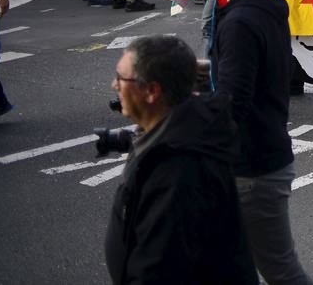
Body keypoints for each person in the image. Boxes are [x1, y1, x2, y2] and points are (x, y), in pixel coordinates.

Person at [199, 0, 313, 284]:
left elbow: (232, 103)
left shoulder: (239, 23)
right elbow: (250, 69)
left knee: (280, 269)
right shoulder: (265, 0)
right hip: (261, 157)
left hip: (251, 166)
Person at [104, 35, 257, 285]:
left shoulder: (177, 170)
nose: (114, 85)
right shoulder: (181, 129)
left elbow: (160, 268)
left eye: (122, 78)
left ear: (152, 91)